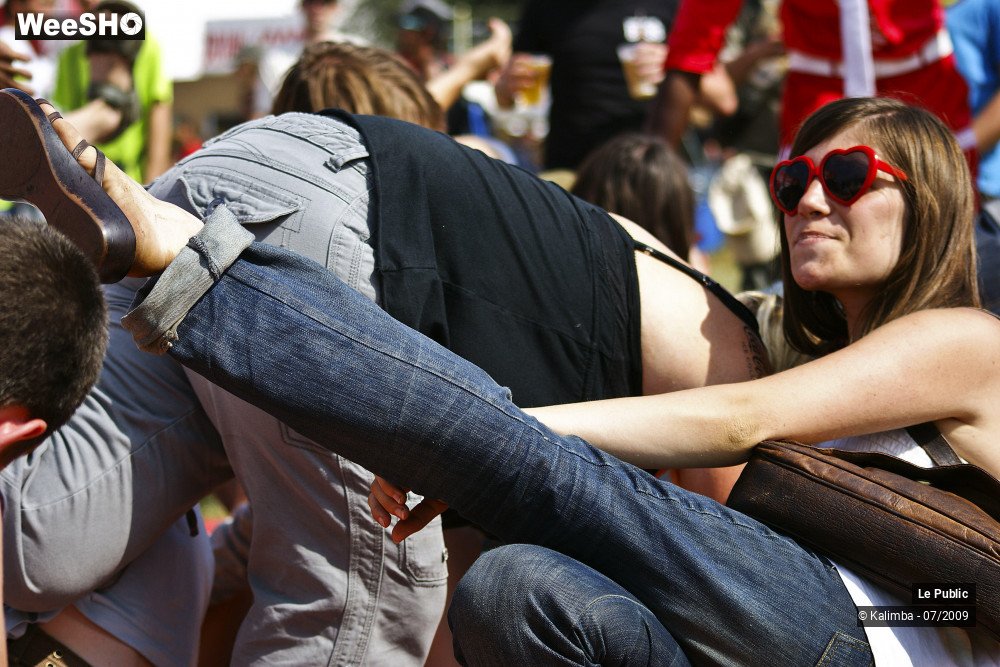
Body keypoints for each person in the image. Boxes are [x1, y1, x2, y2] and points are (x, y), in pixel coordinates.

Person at [29, 89, 1000, 663]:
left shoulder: (966, 342)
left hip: (847, 639)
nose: (806, 202)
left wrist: (515, 435)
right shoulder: (826, 362)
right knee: (511, 590)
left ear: (931, 200)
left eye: (845, 176)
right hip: (788, 633)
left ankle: (190, 265)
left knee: (546, 471)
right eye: (792, 180)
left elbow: (742, 418)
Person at [652, 0, 975, 159]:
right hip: (818, 90)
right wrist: (654, 170)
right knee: (815, 213)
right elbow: (692, 46)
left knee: (944, 229)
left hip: (925, 85)